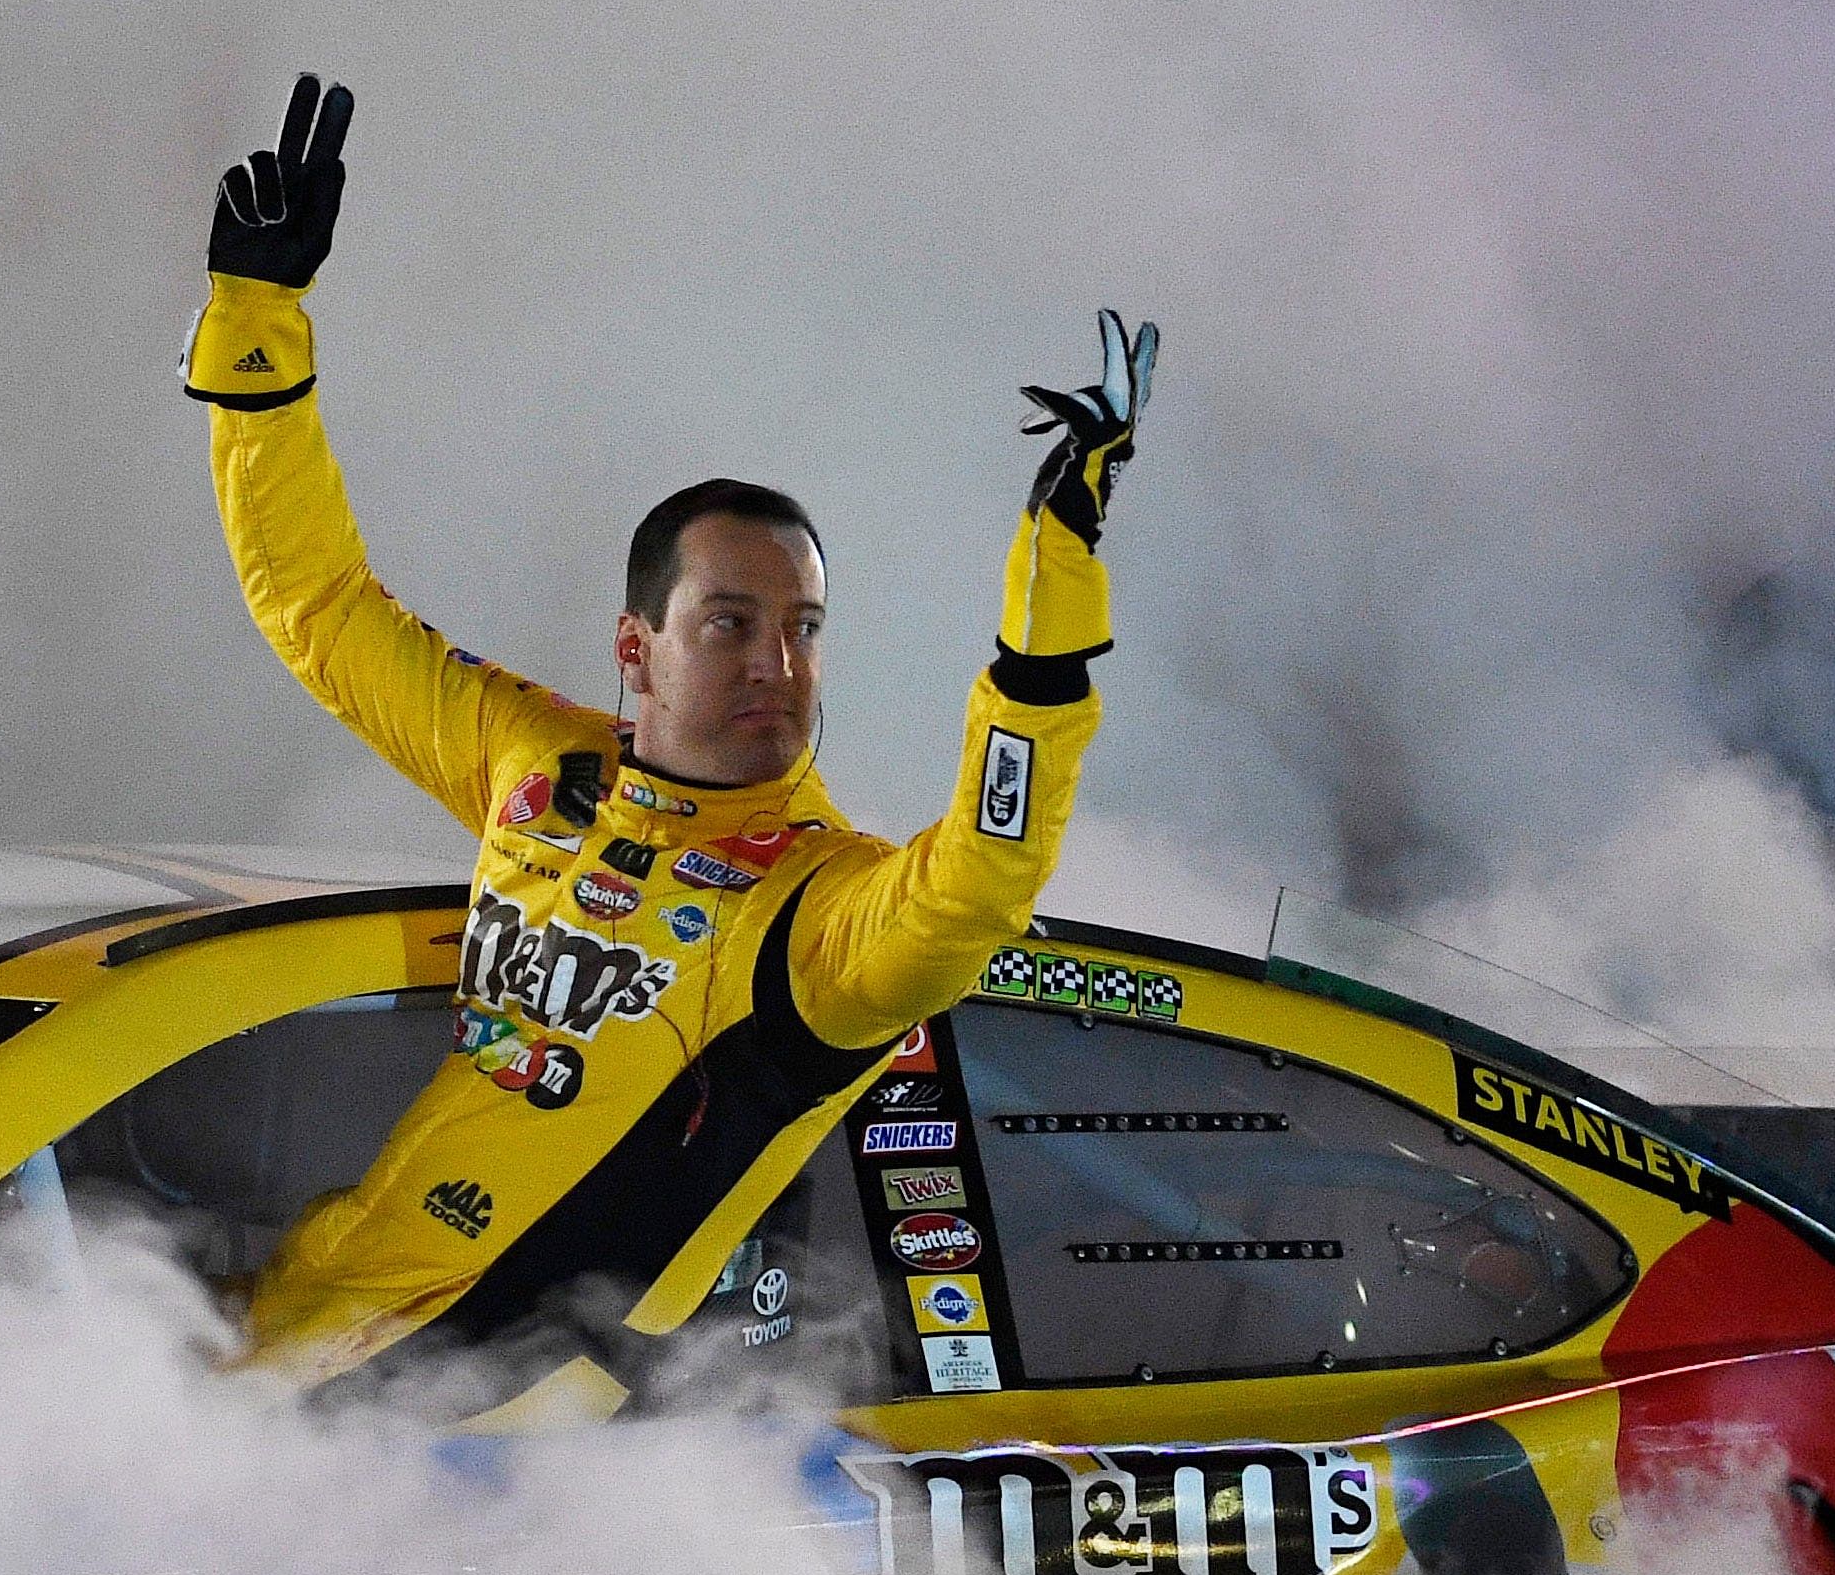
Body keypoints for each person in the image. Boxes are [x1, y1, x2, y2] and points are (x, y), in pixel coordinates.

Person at [180, 76, 1155, 1410]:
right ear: (634, 646)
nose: (778, 663)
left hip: (506, 1433)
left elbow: (983, 878)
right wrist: (256, 324)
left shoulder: (817, 909)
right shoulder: (531, 762)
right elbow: (317, 605)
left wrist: (1048, 620)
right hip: (307, 1330)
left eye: (805, 627)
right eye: (731, 623)